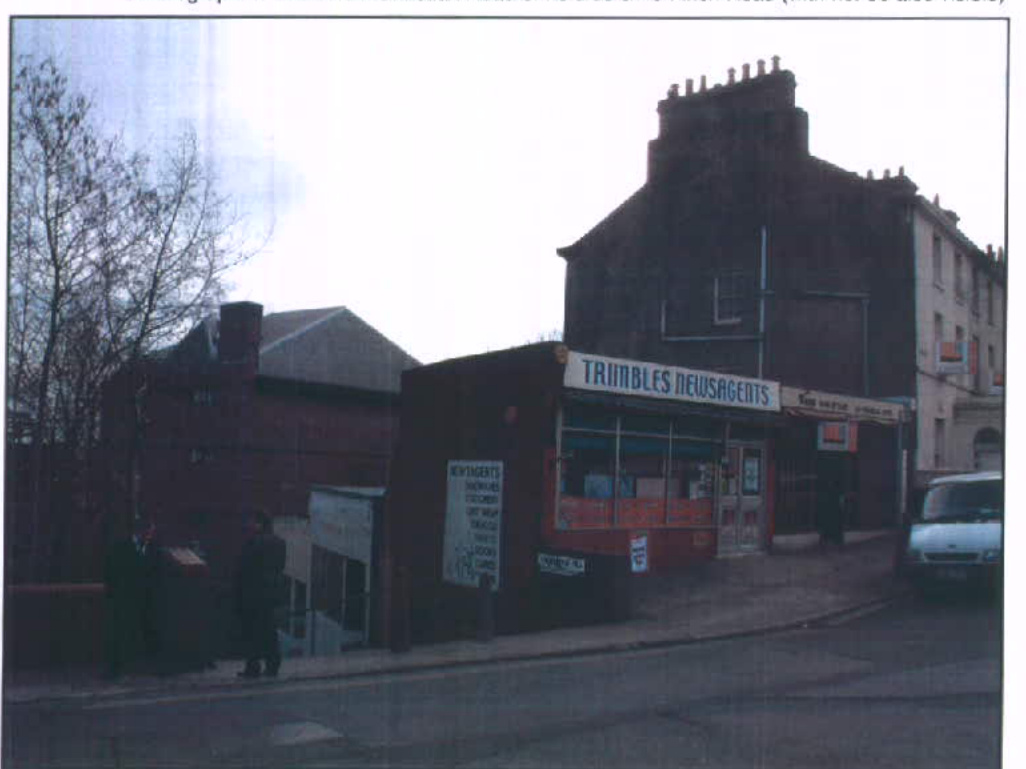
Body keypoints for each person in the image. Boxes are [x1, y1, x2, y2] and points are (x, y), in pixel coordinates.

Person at [103, 517, 161, 679]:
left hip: (143, 599)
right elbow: (111, 570)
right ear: (141, 531)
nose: (150, 536)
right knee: (119, 634)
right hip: (123, 597)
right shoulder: (121, 547)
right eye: (149, 532)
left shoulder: (149, 548)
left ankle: (139, 667)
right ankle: (115, 670)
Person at [233, 510, 286, 678]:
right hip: (271, 594)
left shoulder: (254, 543)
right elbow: (280, 567)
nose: (249, 525)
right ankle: (272, 665)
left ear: (259, 524)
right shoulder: (280, 542)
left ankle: (253, 666)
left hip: (253, 593)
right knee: (269, 630)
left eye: (252, 522)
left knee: (252, 632)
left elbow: (245, 569)